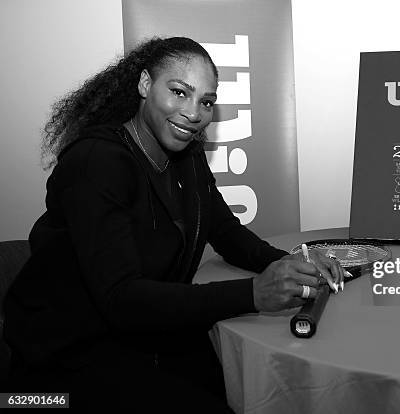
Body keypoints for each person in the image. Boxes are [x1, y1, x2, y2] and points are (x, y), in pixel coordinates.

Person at [2, 37, 344, 411]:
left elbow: (227, 233)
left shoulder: (187, 157)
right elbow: (121, 299)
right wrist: (253, 294)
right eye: (179, 92)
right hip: (63, 363)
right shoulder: (96, 163)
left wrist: (291, 264)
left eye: (206, 101)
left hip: (150, 337)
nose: (193, 113)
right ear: (145, 85)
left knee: (245, 397)